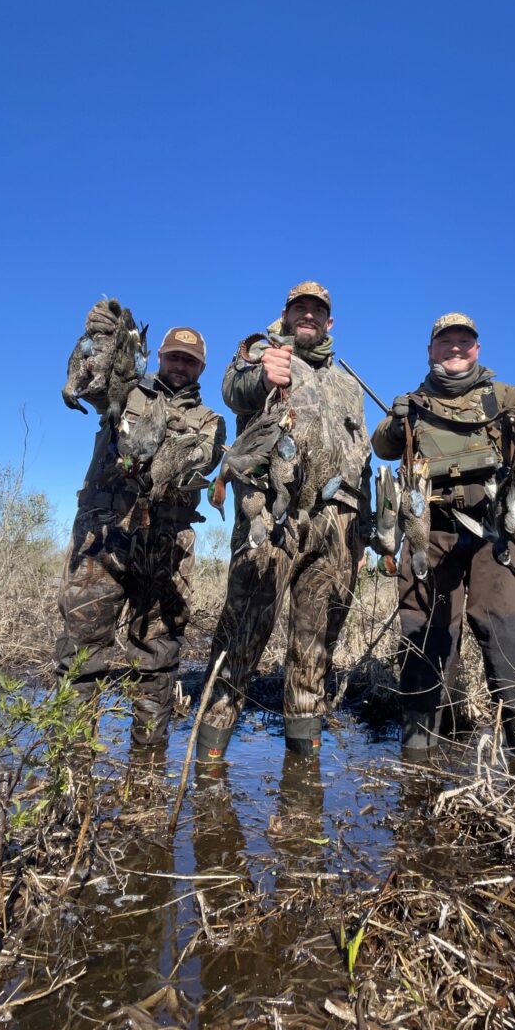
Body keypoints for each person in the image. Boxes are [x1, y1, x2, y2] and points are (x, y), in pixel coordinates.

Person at [370, 312, 515, 767]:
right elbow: (382, 446)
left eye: (464, 342)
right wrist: (396, 424)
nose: (455, 349)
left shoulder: (506, 396)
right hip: (431, 528)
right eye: (446, 342)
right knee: (426, 633)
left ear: (477, 349)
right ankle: (418, 754)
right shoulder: (413, 402)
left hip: (496, 529)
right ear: (431, 351)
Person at [196, 282, 371, 762]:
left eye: (318, 310)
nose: (309, 315)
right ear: (286, 313)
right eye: (300, 308)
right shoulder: (262, 350)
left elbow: (363, 460)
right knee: (243, 634)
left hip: (335, 526)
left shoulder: (348, 382)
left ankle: (303, 759)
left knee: (315, 646)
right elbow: (234, 391)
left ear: (330, 321)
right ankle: (208, 754)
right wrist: (263, 375)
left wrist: (364, 531)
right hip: (272, 518)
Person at [55, 304, 225, 745]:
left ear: (201, 367)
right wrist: (101, 340)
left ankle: (147, 764)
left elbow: (204, 459)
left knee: (158, 654)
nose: (180, 366)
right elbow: (91, 383)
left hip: (165, 545)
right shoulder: (126, 392)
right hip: (102, 539)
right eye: (174, 357)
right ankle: (69, 760)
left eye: (190, 360)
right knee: (82, 651)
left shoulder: (210, 421)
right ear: (161, 358)